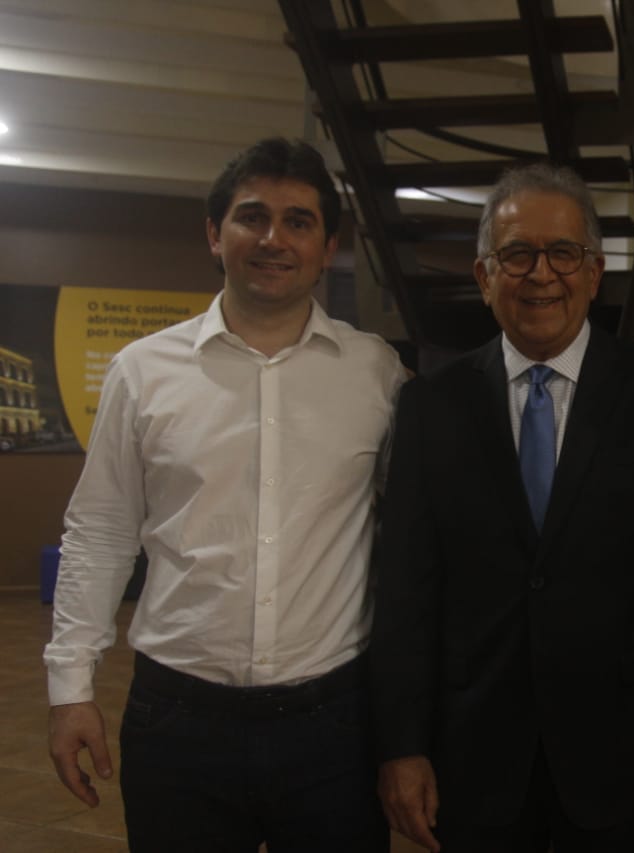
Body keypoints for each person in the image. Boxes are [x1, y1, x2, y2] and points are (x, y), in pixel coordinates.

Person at [44, 137, 405, 852]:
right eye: (252, 217)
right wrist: (70, 688)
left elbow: (409, 536)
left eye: (298, 221)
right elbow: (100, 531)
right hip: (179, 723)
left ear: (327, 247)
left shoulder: (377, 374)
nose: (274, 239)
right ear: (215, 234)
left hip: (335, 727)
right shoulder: (142, 372)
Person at [370, 162, 634, 853]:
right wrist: (402, 745)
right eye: (517, 255)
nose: (541, 274)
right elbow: (406, 592)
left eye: (564, 252)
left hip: (622, 757)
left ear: (594, 273)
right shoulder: (429, 406)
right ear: (484, 276)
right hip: (472, 758)